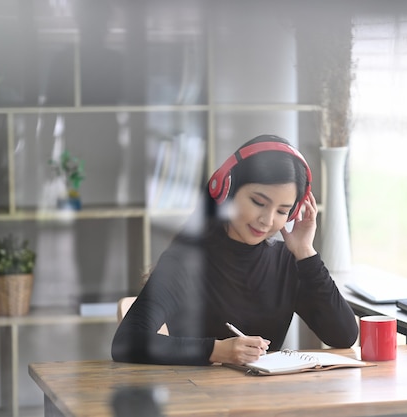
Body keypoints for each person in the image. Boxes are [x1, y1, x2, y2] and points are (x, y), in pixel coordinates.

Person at [111, 134, 358, 366]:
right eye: (258, 202)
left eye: (283, 211)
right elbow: (126, 342)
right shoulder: (185, 260)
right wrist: (219, 351)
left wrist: (306, 252)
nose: (267, 220)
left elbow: (343, 336)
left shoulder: (288, 262)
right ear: (226, 190)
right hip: (199, 400)